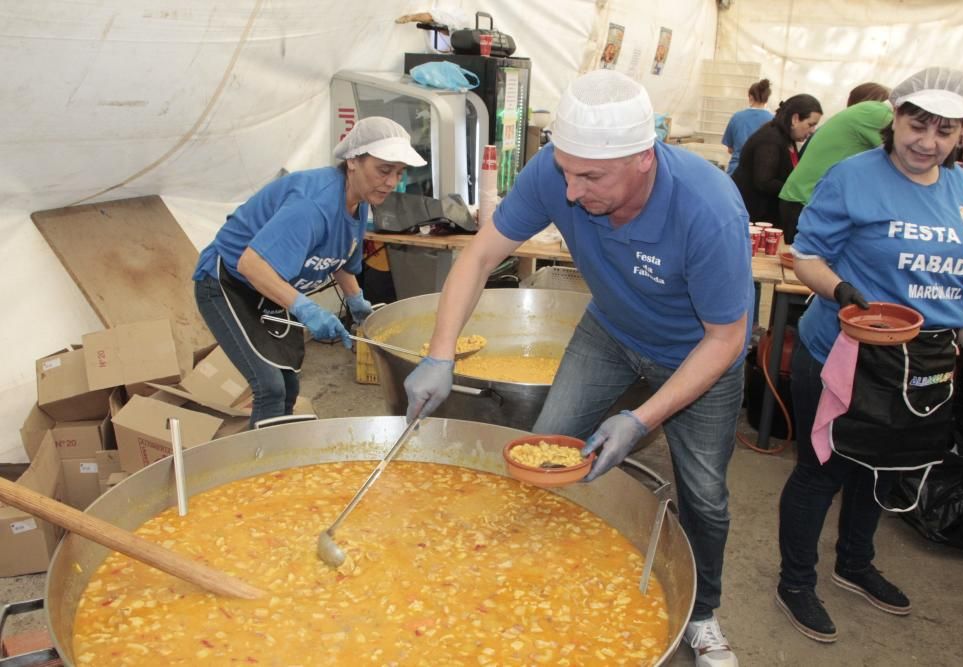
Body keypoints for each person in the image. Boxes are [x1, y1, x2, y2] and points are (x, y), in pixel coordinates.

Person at [404, 69, 752, 667]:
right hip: (612, 331)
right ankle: (530, 573)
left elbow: (725, 340)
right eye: (565, 170)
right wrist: (439, 353)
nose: (569, 192)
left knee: (705, 493)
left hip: (696, 356)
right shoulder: (560, 171)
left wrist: (640, 421)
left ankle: (703, 613)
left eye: (591, 177)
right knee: (545, 446)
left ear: (645, 157)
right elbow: (482, 253)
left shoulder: (708, 208)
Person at [775, 67, 963, 643]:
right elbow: (808, 257)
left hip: (921, 362)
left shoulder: (954, 186)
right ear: (893, 118)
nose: (928, 141)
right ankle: (796, 581)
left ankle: (854, 563)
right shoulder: (853, 176)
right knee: (822, 471)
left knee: (882, 465)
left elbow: (950, 278)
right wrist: (842, 292)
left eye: (945, 131)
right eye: (917, 124)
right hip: (846, 353)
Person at [192, 117, 425, 426]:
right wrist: (306, 308)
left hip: (270, 287)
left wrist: (356, 300)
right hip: (228, 283)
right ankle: (262, 471)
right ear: (353, 161)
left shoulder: (361, 200)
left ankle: (279, 464)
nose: (391, 182)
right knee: (270, 388)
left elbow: (338, 257)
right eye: (384, 170)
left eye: (399, 173)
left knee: (288, 384)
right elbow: (251, 264)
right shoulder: (313, 205)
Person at [777, 82, 891, 243]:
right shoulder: (877, 113)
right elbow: (900, 157)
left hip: (804, 198)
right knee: (806, 261)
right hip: (808, 200)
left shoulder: (865, 112)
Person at [731, 93, 823, 224]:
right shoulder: (770, 140)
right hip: (755, 216)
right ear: (795, 119)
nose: (813, 130)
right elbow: (764, 182)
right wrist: (797, 190)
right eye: (810, 124)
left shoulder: (787, 138)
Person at [722, 79, 774, 175]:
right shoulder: (773, 120)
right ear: (767, 99)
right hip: (761, 174)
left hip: (736, 171)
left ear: (750, 97)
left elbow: (730, 149)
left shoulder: (737, 117)